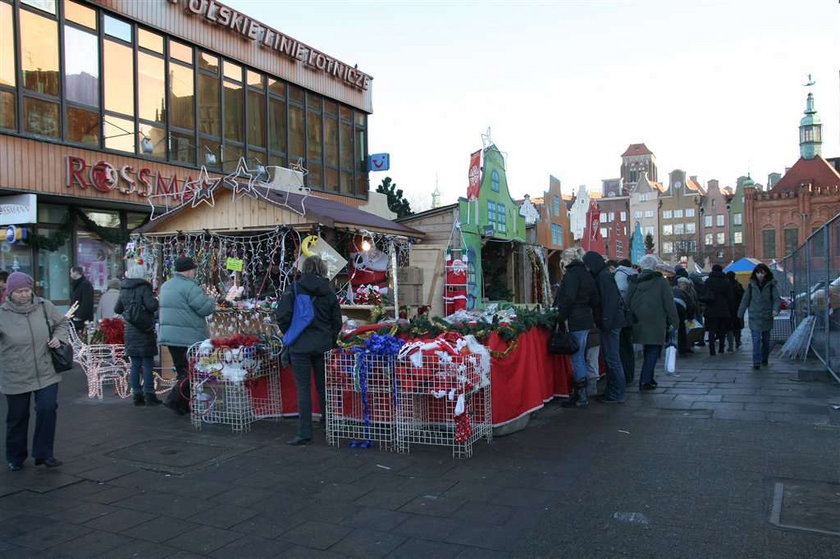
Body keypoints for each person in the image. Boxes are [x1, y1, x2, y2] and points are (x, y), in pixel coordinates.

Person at [0, 272, 68, 471]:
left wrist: (59, 338)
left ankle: (44, 454)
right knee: (17, 417)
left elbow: (62, 323)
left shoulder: (45, 306)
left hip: (46, 370)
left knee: (47, 409)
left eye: (27, 290)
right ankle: (15, 456)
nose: (23, 295)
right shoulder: (3, 314)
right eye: (18, 291)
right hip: (15, 373)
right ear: (10, 293)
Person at [276, 255, 342, 445]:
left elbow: (282, 315)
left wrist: (291, 333)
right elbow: (336, 321)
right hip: (322, 345)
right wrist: (330, 338)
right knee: (324, 388)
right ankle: (328, 425)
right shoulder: (329, 293)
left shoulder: (294, 289)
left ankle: (304, 432)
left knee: (303, 389)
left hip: (300, 346)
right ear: (322, 270)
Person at [158, 257, 216, 416]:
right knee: (191, 372)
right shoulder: (190, 287)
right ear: (189, 271)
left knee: (182, 370)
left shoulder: (166, 286)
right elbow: (204, 308)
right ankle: (174, 400)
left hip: (170, 336)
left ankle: (183, 405)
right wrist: (212, 301)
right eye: (193, 270)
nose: (194, 273)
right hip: (188, 337)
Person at [553, 248, 599, 408]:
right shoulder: (586, 274)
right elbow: (594, 298)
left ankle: (581, 396)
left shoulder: (572, 274)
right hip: (586, 319)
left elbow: (569, 298)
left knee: (577, 357)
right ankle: (581, 393)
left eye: (562, 261)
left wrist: (561, 317)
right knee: (580, 355)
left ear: (567, 260)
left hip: (575, 320)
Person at [627, 255, 678, 391]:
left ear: (642, 266)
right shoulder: (661, 281)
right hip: (656, 321)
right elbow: (669, 303)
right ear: (655, 267)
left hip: (637, 321)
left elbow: (627, 300)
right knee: (653, 351)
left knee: (647, 350)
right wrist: (675, 322)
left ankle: (648, 378)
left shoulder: (634, 280)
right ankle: (645, 380)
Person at [583, 251, 626, 403]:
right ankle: (612, 391)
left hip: (610, 323)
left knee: (612, 359)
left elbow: (609, 302)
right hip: (611, 322)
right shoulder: (603, 275)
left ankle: (617, 393)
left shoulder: (603, 277)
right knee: (610, 358)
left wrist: (606, 321)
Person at [115, 265, 161, 407]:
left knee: (134, 364)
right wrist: (157, 300)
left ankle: (137, 394)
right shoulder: (144, 288)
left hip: (130, 330)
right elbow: (152, 306)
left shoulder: (123, 289)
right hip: (144, 329)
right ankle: (149, 394)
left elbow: (117, 309)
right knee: (147, 363)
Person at [737, 263, 781, 369]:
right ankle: (756, 362)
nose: (760, 275)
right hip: (755, 317)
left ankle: (764, 357)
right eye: (758, 273)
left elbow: (776, 299)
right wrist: (740, 314)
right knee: (756, 340)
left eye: (762, 272)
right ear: (755, 274)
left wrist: (775, 310)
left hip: (767, 317)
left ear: (766, 273)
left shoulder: (771, 286)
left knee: (766, 340)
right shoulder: (751, 286)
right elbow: (745, 300)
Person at [614, 259, 638, 383]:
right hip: (631, 314)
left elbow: (620, 291)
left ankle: (625, 375)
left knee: (622, 347)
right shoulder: (634, 273)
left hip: (622, 314)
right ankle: (630, 373)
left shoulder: (619, 273)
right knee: (628, 347)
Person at [703, 264, 736, 356]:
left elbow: (704, 294)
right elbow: (730, 297)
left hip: (711, 308)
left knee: (711, 330)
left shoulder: (708, 281)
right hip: (723, 308)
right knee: (722, 329)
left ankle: (712, 350)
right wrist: (731, 309)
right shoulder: (726, 281)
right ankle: (721, 348)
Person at [673, 277, 697, 356]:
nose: (685, 286)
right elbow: (690, 306)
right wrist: (690, 317)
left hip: (670, 310)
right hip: (681, 311)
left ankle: (669, 348)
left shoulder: (672, 290)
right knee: (681, 330)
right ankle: (682, 350)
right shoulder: (685, 293)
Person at [69, 266, 94, 335]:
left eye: (71, 272)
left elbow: (86, 302)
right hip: (75, 317)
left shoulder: (85, 285)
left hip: (82, 319)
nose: (70, 274)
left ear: (76, 273)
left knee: (82, 337)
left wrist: (79, 316)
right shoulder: (76, 285)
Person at [726, 271, 745, 351]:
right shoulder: (738, 285)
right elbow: (742, 296)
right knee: (737, 327)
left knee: (729, 328)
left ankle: (730, 346)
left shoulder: (725, 286)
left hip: (728, 309)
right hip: (737, 308)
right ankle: (738, 342)